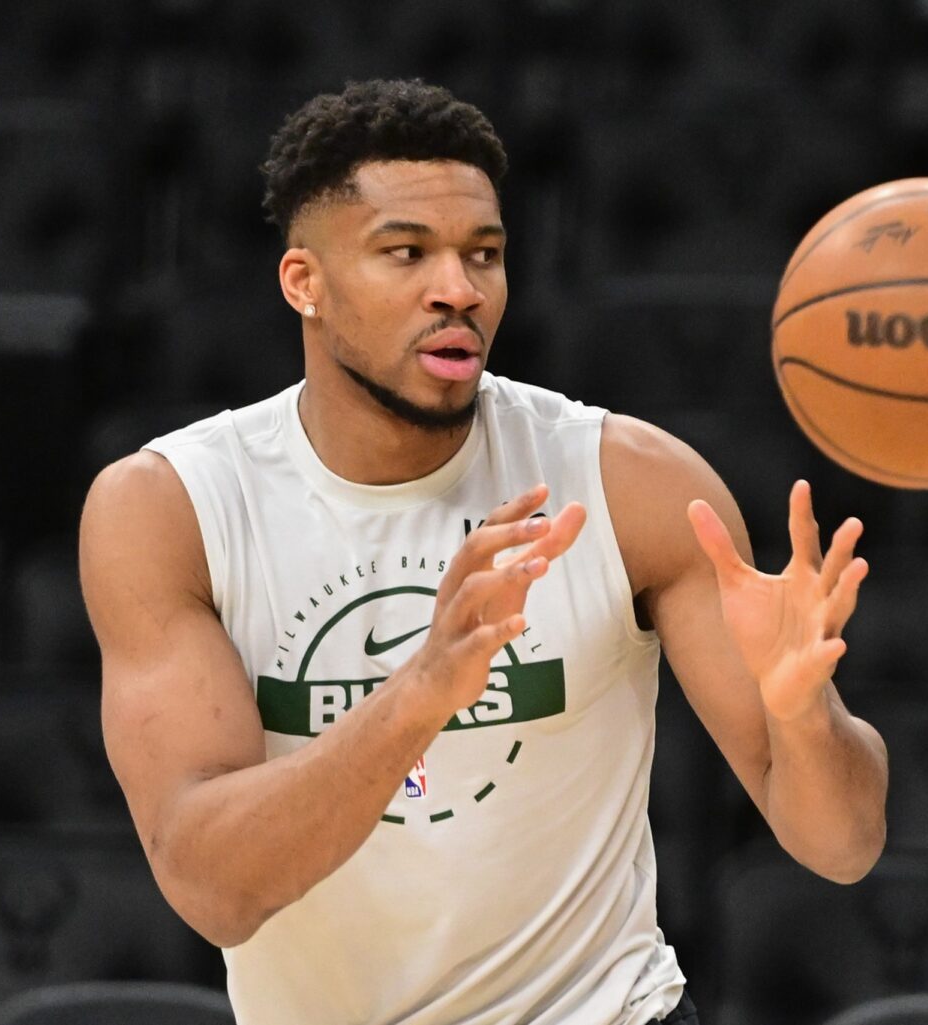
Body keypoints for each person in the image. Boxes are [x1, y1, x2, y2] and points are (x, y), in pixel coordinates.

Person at [78, 78, 887, 1025]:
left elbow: (844, 844)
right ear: (305, 282)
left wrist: (801, 716)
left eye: (484, 255)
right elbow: (212, 887)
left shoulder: (633, 482)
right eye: (406, 253)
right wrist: (421, 688)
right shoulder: (172, 506)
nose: (458, 289)